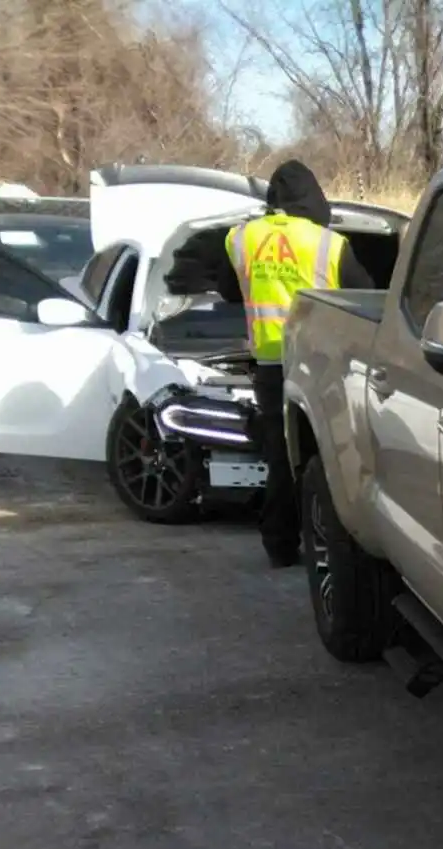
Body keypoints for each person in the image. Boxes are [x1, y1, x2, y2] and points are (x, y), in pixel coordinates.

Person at [168, 160, 374, 566]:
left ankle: (280, 544)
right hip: (318, 364)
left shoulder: (241, 238)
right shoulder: (328, 243)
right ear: (314, 198)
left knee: (282, 455)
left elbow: (228, 290)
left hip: (269, 363)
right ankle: (324, 542)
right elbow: (363, 296)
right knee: (330, 453)